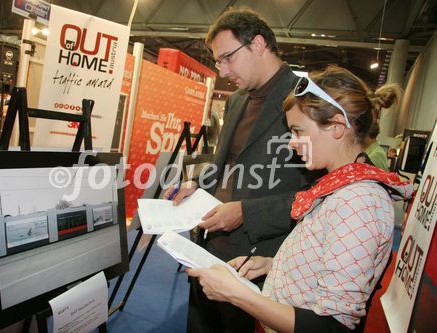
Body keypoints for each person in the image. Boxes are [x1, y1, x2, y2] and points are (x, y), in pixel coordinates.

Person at [186, 66, 413, 333]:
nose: (292, 143)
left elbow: (332, 326)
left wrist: (237, 294)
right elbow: (325, 257)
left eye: (298, 131)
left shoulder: (358, 202)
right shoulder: (339, 187)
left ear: (337, 127)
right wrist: (273, 265)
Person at [164, 7, 312, 333]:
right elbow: (227, 166)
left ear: (258, 44)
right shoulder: (236, 101)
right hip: (209, 247)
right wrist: (196, 184)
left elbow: (315, 196)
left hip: (258, 259)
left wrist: (246, 212)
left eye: (228, 58)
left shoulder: (305, 99)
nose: (223, 70)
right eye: (218, 61)